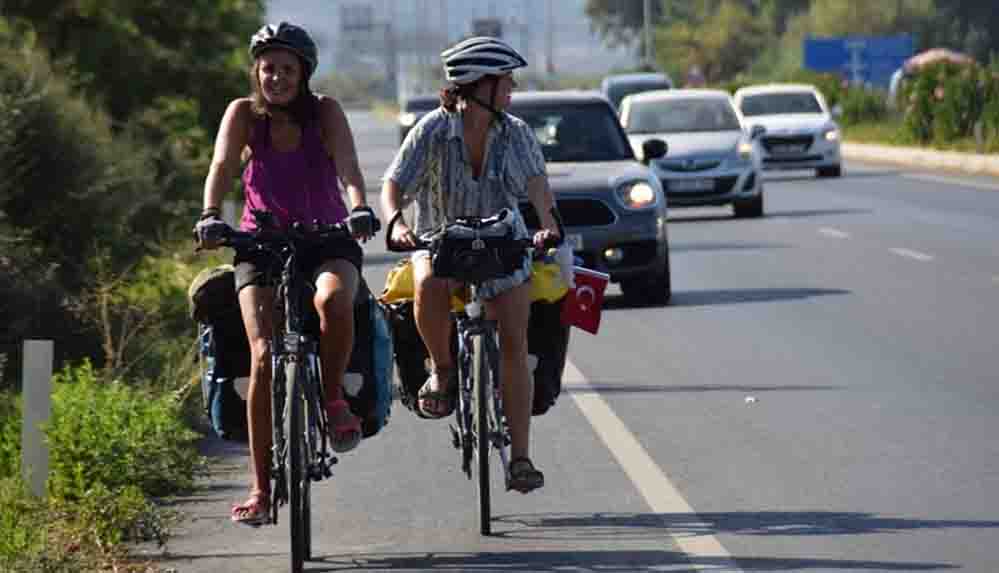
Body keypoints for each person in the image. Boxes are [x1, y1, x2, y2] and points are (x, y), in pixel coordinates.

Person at [193, 22, 379, 525]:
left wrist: (359, 207)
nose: (276, 77)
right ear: (256, 71)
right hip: (260, 243)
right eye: (268, 67)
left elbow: (349, 170)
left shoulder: (325, 113)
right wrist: (212, 214)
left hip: (326, 238)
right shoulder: (242, 114)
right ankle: (260, 487)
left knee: (334, 302)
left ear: (304, 74)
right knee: (263, 356)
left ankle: (334, 397)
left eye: (287, 69)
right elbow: (221, 164)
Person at [380, 36, 560, 494]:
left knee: (515, 343)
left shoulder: (515, 131)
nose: (512, 89)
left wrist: (546, 224)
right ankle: (441, 369)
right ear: (478, 85)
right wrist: (397, 222)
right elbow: (394, 184)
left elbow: (538, 185)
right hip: (442, 240)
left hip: (502, 242)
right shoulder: (432, 130)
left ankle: (520, 458)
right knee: (428, 284)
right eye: (506, 81)